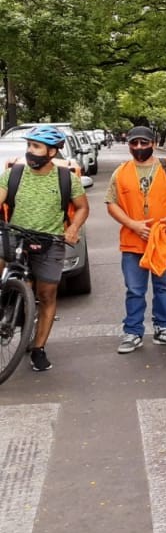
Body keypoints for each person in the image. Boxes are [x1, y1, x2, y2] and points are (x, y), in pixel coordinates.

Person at [0, 126, 89, 371]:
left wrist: (73, 229)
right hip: (15, 236)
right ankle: (7, 304)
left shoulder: (65, 178)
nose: (30, 151)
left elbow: (82, 207)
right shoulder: (13, 174)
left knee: (47, 294)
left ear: (51, 152)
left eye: (36, 147)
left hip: (50, 242)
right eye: (28, 146)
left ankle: (38, 348)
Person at [106, 126, 166, 353]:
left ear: (153, 143)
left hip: (163, 239)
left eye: (144, 143)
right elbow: (111, 204)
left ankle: (164, 329)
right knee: (135, 289)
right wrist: (133, 225)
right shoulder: (121, 172)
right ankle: (132, 332)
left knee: (164, 286)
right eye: (135, 143)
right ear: (129, 145)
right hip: (133, 242)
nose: (139, 148)